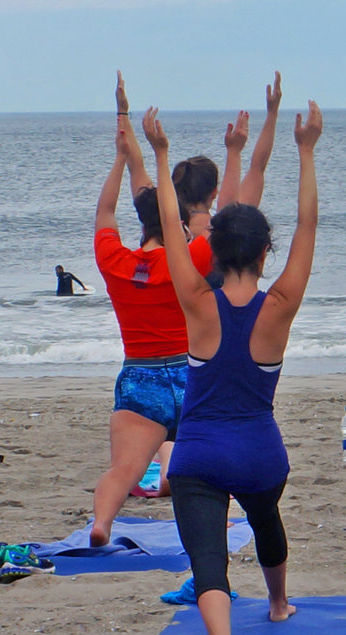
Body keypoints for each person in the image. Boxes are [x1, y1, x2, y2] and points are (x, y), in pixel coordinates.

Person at [129, 98, 322, 635]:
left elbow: (167, 223)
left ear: (213, 251)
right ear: (266, 253)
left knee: (207, 555)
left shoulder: (196, 302)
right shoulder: (280, 306)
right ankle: (279, 602)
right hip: (262, 455)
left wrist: (160, 156)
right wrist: (306, 151)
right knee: (266, 518)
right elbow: (309, 226)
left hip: (200, 456)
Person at [89, 74, 282, 540]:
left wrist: (127, 127)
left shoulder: (115, 260)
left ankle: (101, 523)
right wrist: (244, 142)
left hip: (140, 374)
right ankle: (186, 486)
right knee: (202, 460)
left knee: (122, 470)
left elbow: (111, 210)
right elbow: (247, 190)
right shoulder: (200, 252)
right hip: (193, 372)